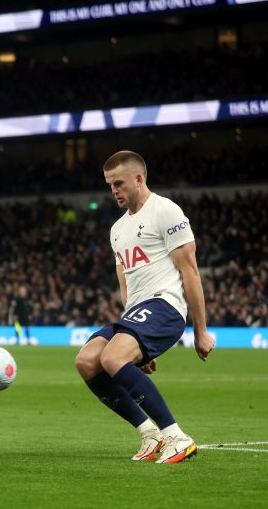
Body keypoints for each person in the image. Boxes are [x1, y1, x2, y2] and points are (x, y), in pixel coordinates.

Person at [74, 150, 214, 464]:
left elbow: (190, 271)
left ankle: (177, 437)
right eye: (110, 185)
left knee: (112, 356)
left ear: (139, 179)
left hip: (165, 305)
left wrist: (201, 331)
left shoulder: (165, 211)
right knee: (87, 361)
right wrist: (135, 341)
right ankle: (149, 433)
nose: (114, 191)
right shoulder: (117, 229)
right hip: (138, 314)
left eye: (119, 183)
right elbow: (126, 286)